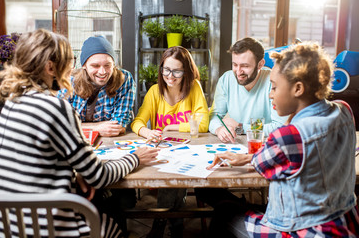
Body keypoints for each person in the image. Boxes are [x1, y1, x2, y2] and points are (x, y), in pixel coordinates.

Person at [0, 29, 159, 237]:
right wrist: (135, 158)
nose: (72, 69)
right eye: (69, 62)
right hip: (47, 226)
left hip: (10, 224)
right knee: (113, 225)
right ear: (50, 67)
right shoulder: (55, 107)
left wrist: (76, 174)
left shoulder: (11, 104)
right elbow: (99, 176)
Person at [206, 42, 359, 238]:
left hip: (304, 231)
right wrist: (246, 157)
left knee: (224, 210)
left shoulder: (288, 135)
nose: (270, 94)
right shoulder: (344, 109)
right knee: (246, 206)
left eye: (275, 87)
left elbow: (263, 164)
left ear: (298, 88)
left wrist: (248, 156)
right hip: (346, 221)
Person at [131, 46, 209, 238]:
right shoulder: (154, 91)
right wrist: (147, 131)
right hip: (163, 152)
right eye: (166, 70)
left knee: (176, 174)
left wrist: (171, 127)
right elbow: (137, 122)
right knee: (173, 175)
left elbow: (204, 123)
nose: (170, 76)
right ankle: (176, 224)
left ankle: (160, 224)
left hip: (188, 151)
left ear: (187, 71)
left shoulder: (194, 88)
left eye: (177, 71)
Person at [209, 37, 286, 144]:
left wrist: (240, 127)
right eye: (235, 65)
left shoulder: (273, 82)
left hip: (265, 145)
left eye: (245, 66)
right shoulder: (226, 79)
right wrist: (219, 129)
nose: (238, 72)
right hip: (235, 144)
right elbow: (215, 115)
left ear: (260, 64)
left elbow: (280, 126)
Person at [57, 35, 136, 137]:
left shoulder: (124, 79)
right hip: (75, 140)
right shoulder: (69, 81)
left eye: (107, 65)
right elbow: (59, 124)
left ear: (114, 64)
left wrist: (80, 126)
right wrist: (96, 128)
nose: (102, 72)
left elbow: (119, 126)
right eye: (95, 66)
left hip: (110, 141)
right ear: (84, 65)